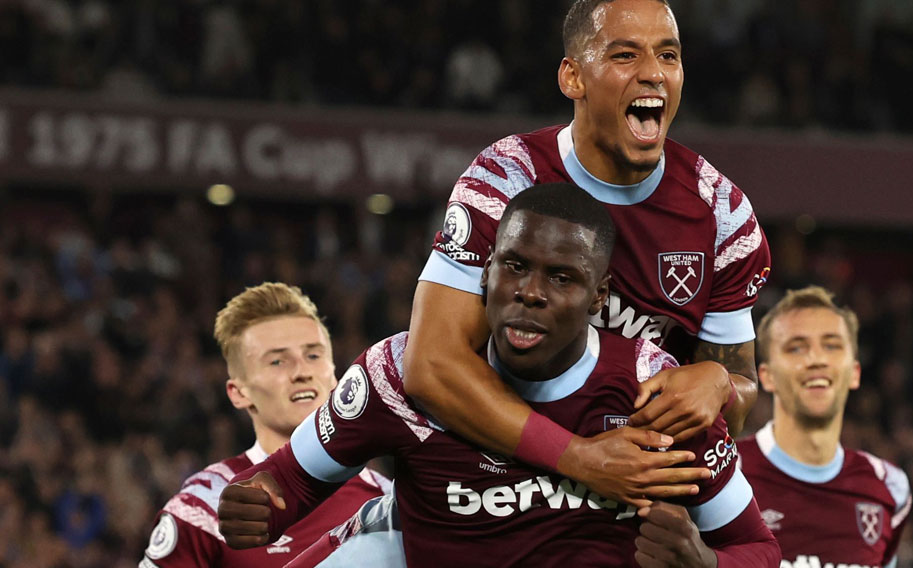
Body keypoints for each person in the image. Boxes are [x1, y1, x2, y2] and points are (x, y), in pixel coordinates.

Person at [218, 184, 780, 567]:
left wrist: (705, 563)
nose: (529, 292)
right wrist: (259, 504)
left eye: (561, 278)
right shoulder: (397, 375)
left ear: (598, 296)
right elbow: (287, 481)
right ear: (485, 273)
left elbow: (758, 549)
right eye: (514, 266)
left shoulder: (655, 397)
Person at [405, 0, 772, 508]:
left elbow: (739, 397)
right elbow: (430, 365)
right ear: (572, 76)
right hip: (485, 482)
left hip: (624, 501)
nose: (653, 73)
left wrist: (719, 383)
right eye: (626, 54)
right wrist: (578, 458)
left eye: (668, 55)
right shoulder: (507, 177)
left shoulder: (722, 214)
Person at [141, 283, 390, 567]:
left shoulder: (384, 501)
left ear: (335, 377)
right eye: (277, 361)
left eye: (313, 355)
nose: (301, 371)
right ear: (239, 392)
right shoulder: (201, 508)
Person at [736, 286, 912, 568]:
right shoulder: (726, 472)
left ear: (855, 373)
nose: (816, 359)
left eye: (831, 345)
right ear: (766, 377)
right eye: (796, 347)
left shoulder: (890, 487)